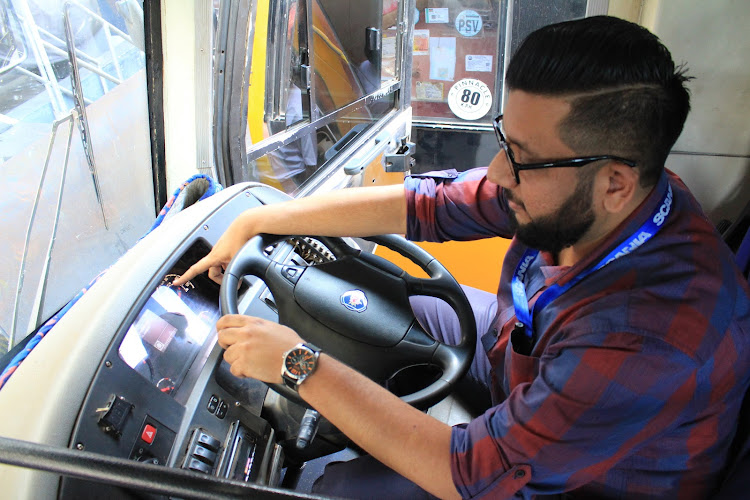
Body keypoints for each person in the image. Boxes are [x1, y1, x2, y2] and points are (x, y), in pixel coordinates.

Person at [175, 16, 750, 499]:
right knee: (374, 299)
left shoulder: (649, 338)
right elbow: (434, 205)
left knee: (337, 492)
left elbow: (472, 473)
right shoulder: (596, 197)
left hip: (579, 483)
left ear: (615, 184)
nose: (499, 173)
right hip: (518, 349)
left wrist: (301, 365)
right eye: (505, 140)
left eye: (521, 157)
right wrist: (260, 218)